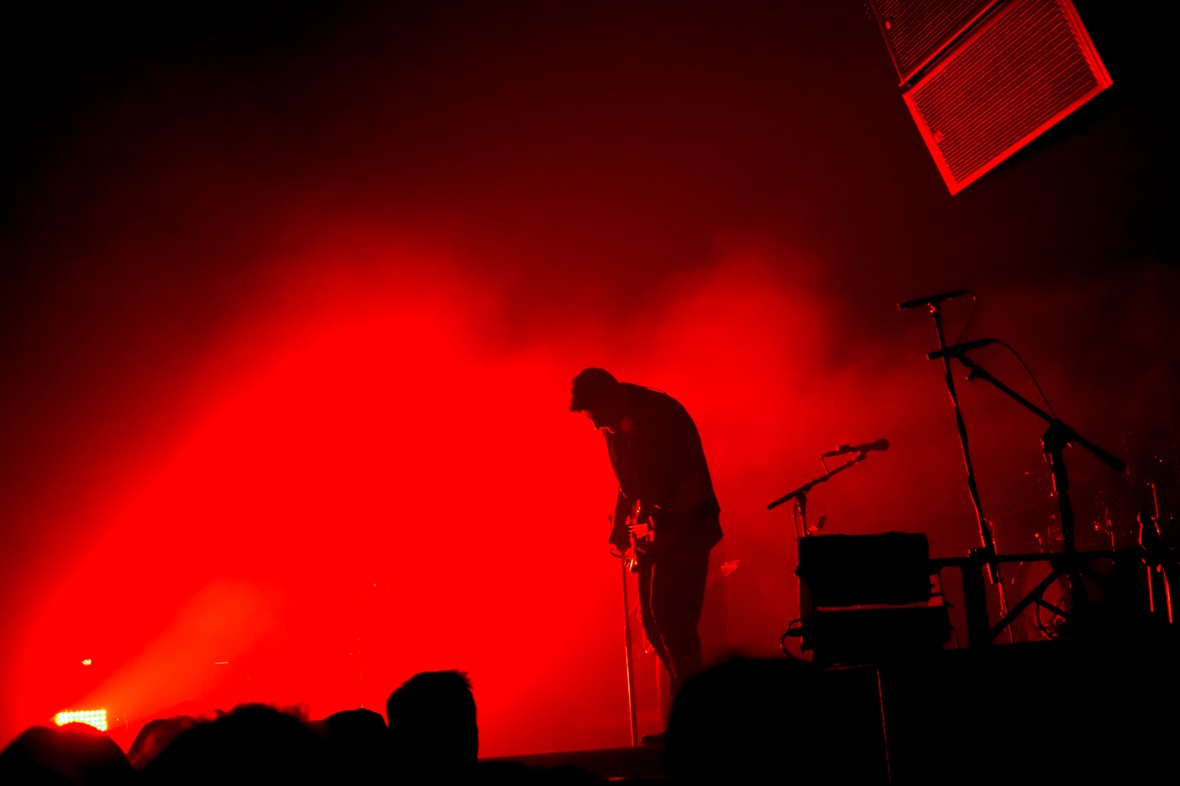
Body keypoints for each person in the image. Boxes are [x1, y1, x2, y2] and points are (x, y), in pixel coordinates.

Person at [569, 368, 723, 742]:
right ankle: (692, 716)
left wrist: (655, 524)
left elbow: (680, 483)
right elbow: (629, 485)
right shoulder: (613, 426)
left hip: (687, 530)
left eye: (596, 416)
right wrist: (621, 523)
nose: (597, 426)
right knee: (654, 626)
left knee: (671, 619)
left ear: (610, 396)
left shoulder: (661, 414)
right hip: (657, 534)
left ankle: (697, 723)